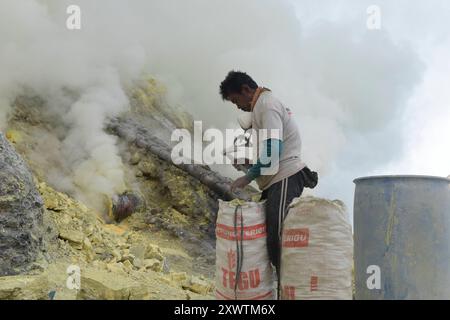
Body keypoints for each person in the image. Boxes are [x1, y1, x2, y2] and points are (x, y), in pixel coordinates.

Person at [219, 70, 317, 297]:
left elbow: (274, 151)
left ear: (246, 90)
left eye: (236, 101)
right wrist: (248, 162)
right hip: (276, 178)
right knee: (271, 238)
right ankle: (286, 290)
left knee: (278, 237)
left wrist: (248, 176)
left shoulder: (267, 105)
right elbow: (268, 151)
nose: (238, 107)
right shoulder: (261, 108)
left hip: (286, 176)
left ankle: (292, 291)